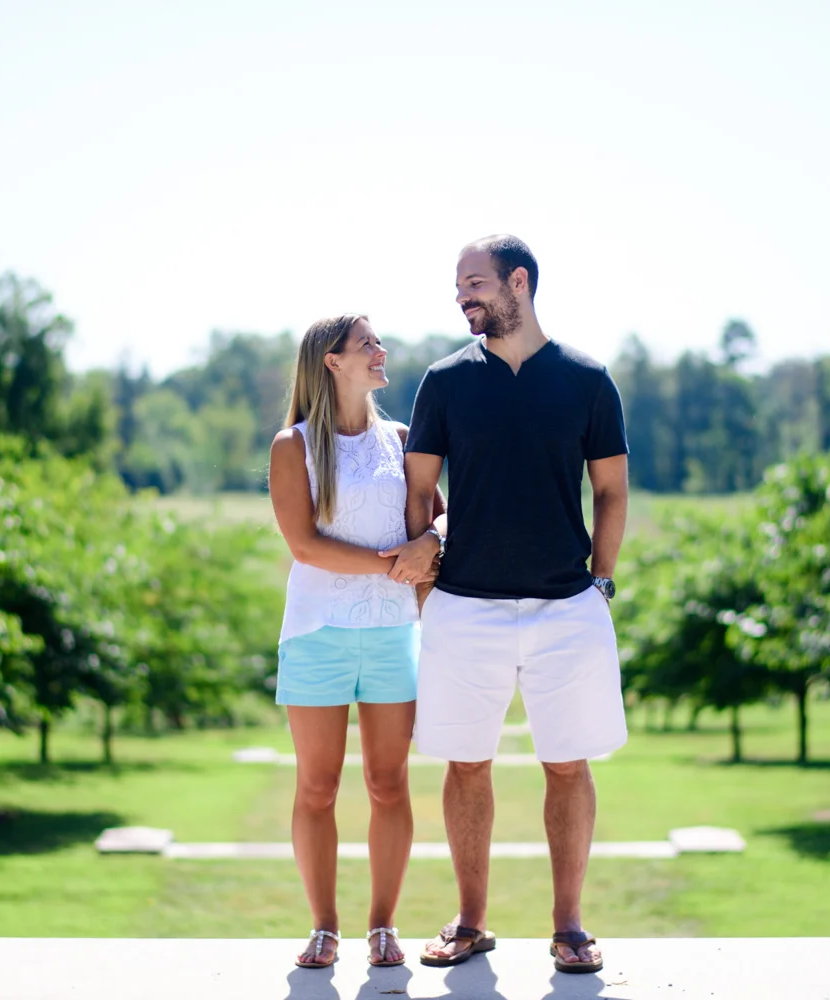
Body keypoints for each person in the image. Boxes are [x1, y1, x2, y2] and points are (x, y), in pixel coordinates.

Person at [404, 236, 629, 975]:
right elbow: (418, 490)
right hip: (464, 609)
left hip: (569, 608)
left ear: (519, 283)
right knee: (466, 764)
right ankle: (470, 923)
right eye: (458, 286)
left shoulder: (589, 380)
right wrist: (427, 588)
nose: (463, 297)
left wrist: (601, 582)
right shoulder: (443, 381)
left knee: (567, 765)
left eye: (475, 283)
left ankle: (568, 926)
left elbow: (611, 492)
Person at [268, 314, 445, 970]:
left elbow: (439, 519)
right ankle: (323, 928)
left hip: (394, 635)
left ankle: (381, 927)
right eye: (367, 343)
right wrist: (393, 564)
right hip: (317, 637)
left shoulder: (402, 439)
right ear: (332, 362)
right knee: (316, 788)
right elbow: (304, 546)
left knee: (387, 783)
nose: (381, 351)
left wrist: (432, 544)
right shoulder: (293, 446)